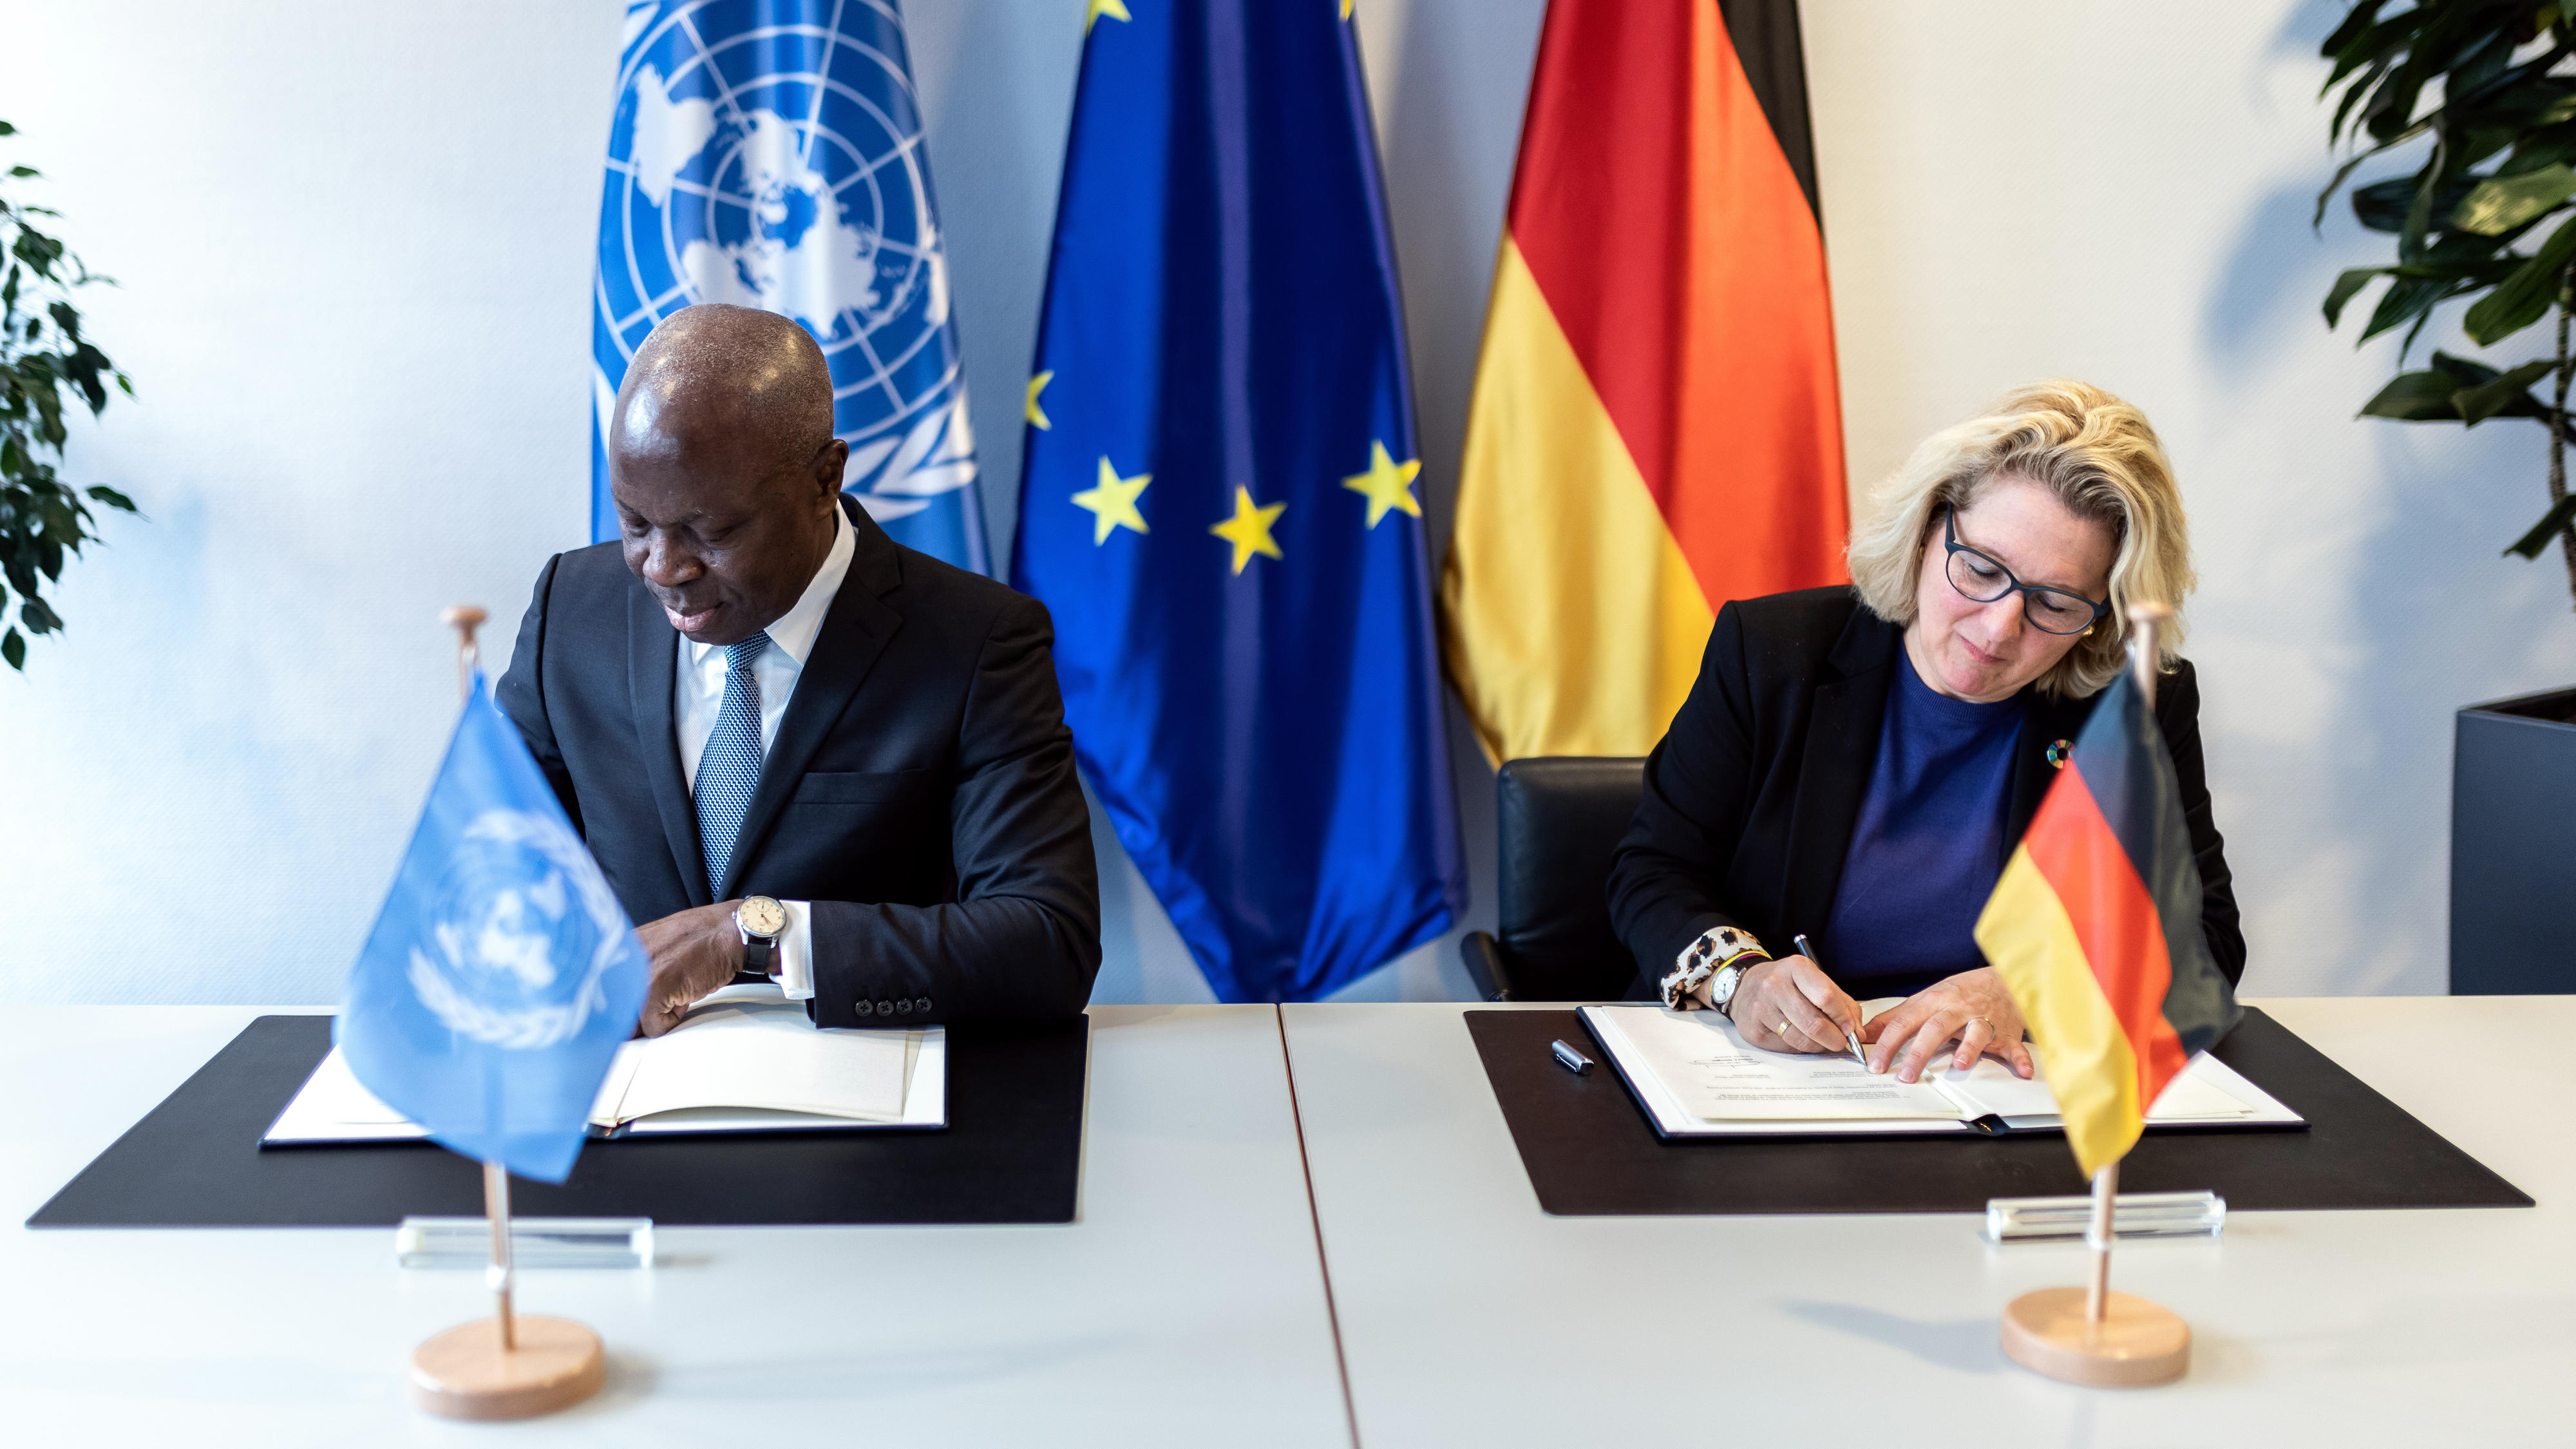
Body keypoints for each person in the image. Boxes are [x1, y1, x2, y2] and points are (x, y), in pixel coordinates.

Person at [1605, 381, 2243, 1084]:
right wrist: (1739, 979)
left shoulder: (2136, 700)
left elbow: (2204, 939)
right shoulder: (1770, 654)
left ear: (2106, 614)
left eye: (2056, 603)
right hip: (1774, 1075)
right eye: (1979, 570)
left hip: (1995, 1092)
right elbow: (1653, 870)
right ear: (1926, 531)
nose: (1999, 629)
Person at [497, 303, 1101, 1036]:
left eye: (711, 531)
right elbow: (493, 869)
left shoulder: (976, 643)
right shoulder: (572, 609)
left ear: (824, 479)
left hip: (865, 1113)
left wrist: (755, 935)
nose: (663, 568)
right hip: (618, 1103)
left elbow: (1048, 942)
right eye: (634, 523)